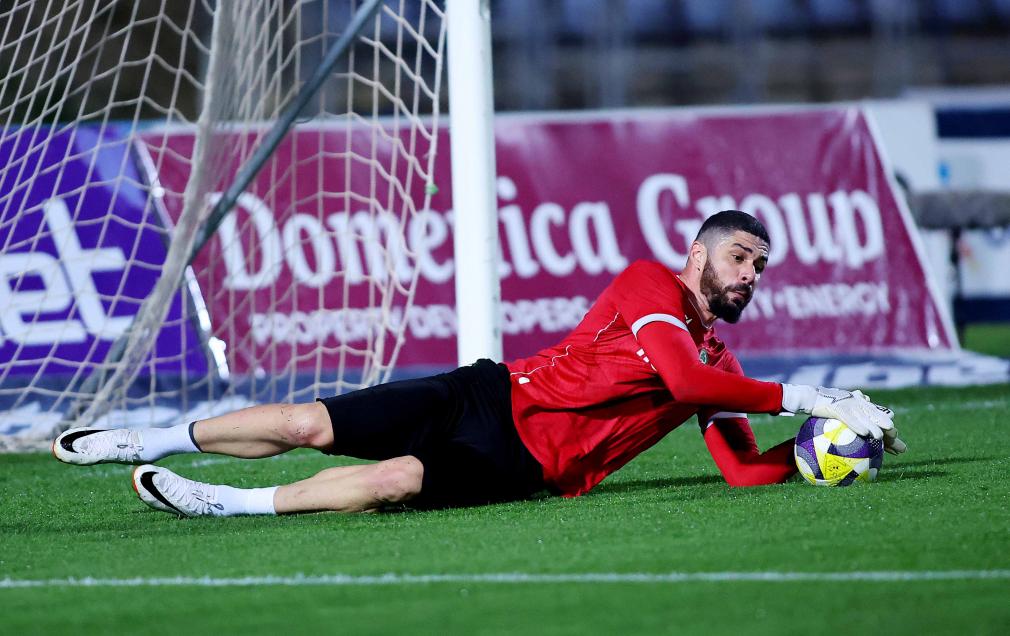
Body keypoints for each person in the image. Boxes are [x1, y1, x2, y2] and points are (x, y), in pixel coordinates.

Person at [53, 210, 905, 517]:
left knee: (395, 480)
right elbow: (683, 380)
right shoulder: (652, 285)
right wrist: (813, 394)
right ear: (698, 254)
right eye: (740, 257)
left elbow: (740, 469)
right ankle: (146, 438)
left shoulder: (720, 361)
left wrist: (818, 452)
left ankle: (226, 504)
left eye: (760, 267)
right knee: (310, 421)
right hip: (488, 392)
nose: (751, 274)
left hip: (526, 465)